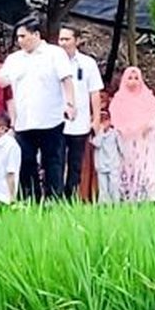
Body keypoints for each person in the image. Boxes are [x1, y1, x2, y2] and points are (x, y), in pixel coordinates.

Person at [0, 18, 75, 200]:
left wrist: (70, 104)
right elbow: (2, 81)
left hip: (50, 119)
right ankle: (30, 201)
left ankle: (54, 201)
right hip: (24, 122)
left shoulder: (54, 54)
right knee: (26, 163)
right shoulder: (15, 59)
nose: (19, 41)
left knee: (53, 163)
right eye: (17, 37)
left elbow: (66, 79)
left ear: (36, 35)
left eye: (23, 36)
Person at [57, 26, 104, 198]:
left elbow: (95, 92)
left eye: (67, 39)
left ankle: (71, 197)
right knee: (56, 162)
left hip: (80, 122)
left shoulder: (87, 63)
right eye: (60, 39)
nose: (62, 43)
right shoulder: (51, 62)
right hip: (56, 122)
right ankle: (56, 197)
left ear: (77, 41)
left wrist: (96, 119)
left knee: (76, 163)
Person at [107, 66, 155, 202]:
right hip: (126, 141)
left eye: (136, 78)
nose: (133, 81)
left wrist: (144, 128)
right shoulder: (118, 100)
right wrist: (127, 130)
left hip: (145, 142)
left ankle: (150, 198)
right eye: (130, 78)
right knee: (127, 168)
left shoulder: (148, 97)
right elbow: (115, 119)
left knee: (147, 170)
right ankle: (129, 197)